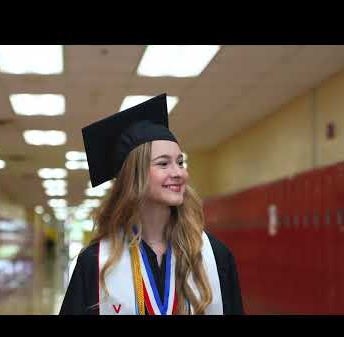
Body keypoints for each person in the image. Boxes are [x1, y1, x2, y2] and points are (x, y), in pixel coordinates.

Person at [59, 94, 243, 315]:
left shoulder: (213, 256)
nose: (178, 173)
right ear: (134, 176)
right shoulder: (96, 263)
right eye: (163, 163)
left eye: (180, 162)